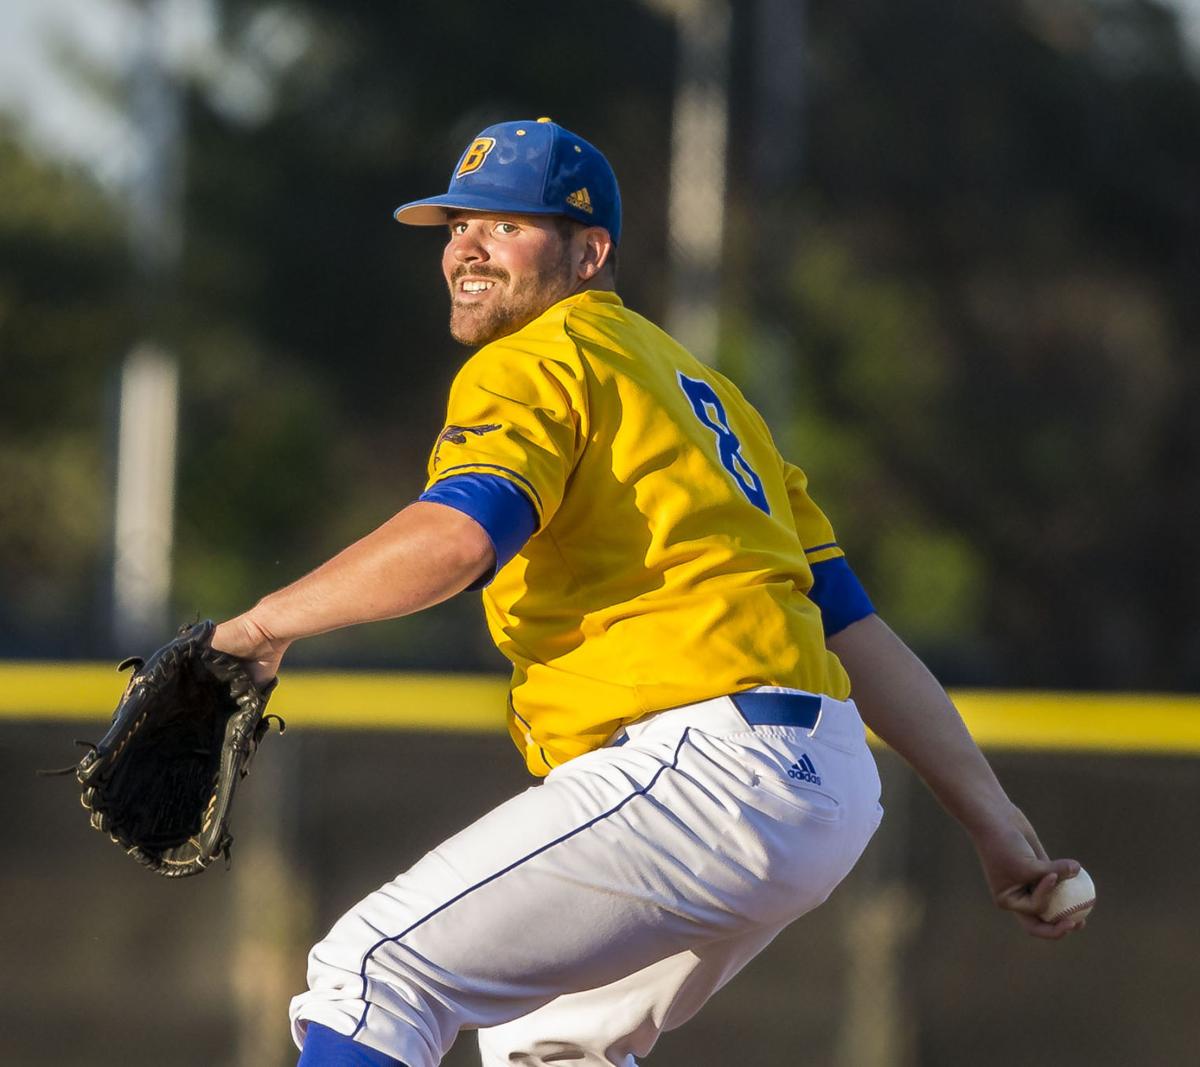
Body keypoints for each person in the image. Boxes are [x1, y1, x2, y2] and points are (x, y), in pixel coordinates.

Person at [212, 118, 1083, 1067]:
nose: (467, 244)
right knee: (551, 1046)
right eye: (459, 224)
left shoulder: (538, 356)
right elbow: (856, 631)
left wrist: (260, 626)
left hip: (707, 766)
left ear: (591, 252)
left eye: (507, 224)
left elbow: (459, 537)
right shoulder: (712, 399)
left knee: (374, 971)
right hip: (822, 783)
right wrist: (999, 827)